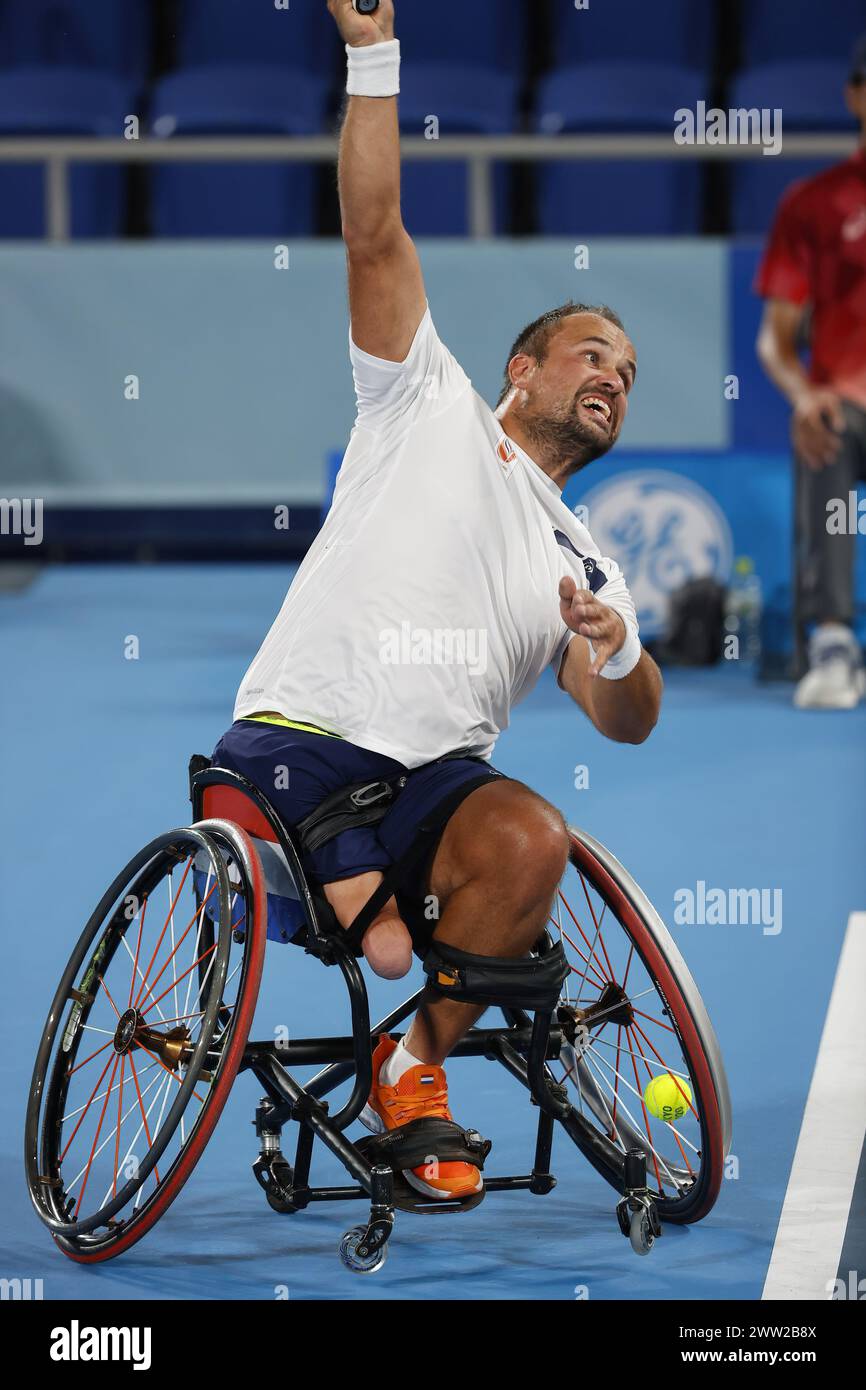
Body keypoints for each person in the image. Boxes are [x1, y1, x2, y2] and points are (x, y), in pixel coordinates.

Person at [211, 0, 662, 1201]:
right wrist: (373, 57)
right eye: (589, 353)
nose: (610, 375)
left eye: (625, 371)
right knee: (396, 942)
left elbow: (629, 720)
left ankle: (410, 1067)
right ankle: (394, 1005)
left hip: (432, 791)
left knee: (531, 836)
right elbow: (373, 234)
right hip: (299, 744)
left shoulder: (584, 560)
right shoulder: (425, 402)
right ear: (522, 370)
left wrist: (614, 650)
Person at [756, 34, 866, 709]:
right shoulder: (812, 202)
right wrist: (803, 394)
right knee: (821, 430)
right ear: (856, 95)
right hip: (845, 404)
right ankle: (832, 640)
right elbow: (776, 341)